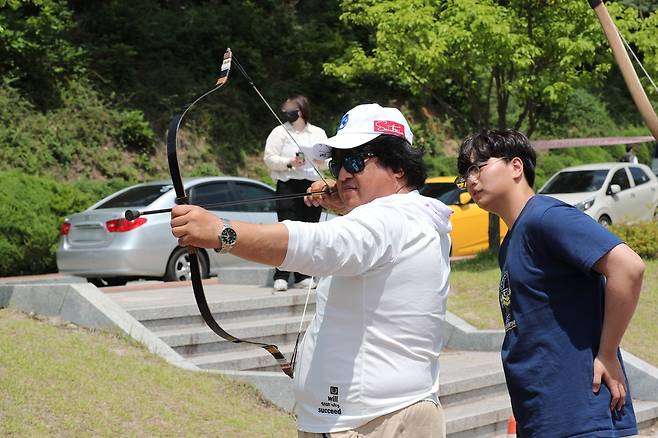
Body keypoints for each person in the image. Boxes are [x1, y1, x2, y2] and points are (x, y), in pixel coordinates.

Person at [171, 103, 453, 437]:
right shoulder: (407, 216)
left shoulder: (392, 217)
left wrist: (222, 232)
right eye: (337, 163)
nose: (344, 174)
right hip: (366, 418)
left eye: (355, 161)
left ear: (399, 170)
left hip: (377, 423)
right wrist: (349, 204)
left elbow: (319, 244)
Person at [456, 129, 644, 437]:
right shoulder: (514, 240)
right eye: (466, 174)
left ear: (516, 167)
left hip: (577, 416)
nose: (471, 179)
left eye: (479, 167)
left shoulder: (545, 217)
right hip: (545, 416)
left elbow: (628, 267)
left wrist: (607, 353)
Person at [264, 95, 328, 292]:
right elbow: (269, 158)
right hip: (288, 184)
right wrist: (289, 162)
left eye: (293, 108)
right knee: (287, 230)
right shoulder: (279, 132)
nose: (288, 112)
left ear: (302, 110)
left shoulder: (318, 132)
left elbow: (327, 160)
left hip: (311, 185)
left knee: (309, 230)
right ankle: (281, 275)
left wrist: (320, 161)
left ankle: (304, 275)